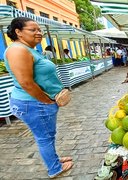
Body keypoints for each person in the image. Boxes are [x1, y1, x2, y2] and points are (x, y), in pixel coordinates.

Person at [4, 17, 73, 178]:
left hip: (36, 102)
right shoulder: (17, 50)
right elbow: (26, 82)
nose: (39, 33)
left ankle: (53, 159)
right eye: (33, 30)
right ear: (18, 32)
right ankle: (54, 168)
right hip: (33, 103)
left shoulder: (29, 49)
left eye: (39, 30)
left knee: (48, 135)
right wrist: (46, 101)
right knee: (45, 137)